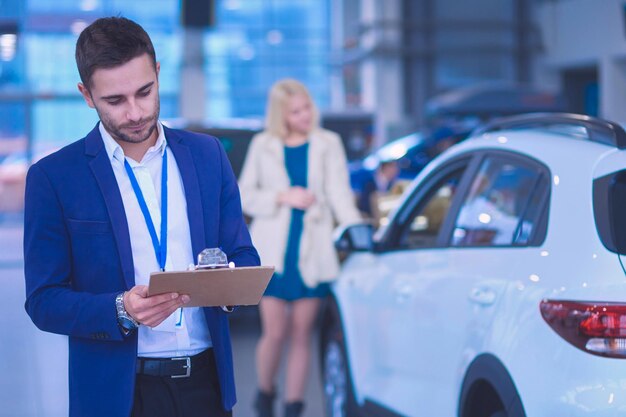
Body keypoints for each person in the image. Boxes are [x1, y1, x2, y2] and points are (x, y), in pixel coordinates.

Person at [23, 17, 259, 417]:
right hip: (116, 394)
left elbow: (244, 255)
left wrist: (223, 284)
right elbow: (44, 301)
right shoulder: (54, 178)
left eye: (145, 92)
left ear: (158, 74)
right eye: (115, 101)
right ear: (86, 95)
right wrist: (121, 310)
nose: (135, 112)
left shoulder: (206, 156)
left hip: (206, 386)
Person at [238, 79, 361, 417]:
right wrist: (282, 196)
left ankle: (294, 407)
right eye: (295, 111)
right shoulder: (264, 144)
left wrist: (356, 231)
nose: (304, 115)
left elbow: (340, 194)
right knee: (275, 332)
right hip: (274, 250)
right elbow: (244, 194)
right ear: (281, 115)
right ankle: (265, 396)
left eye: (307, 107)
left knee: (302, 334)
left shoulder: (328, 143)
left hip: (314, 247)